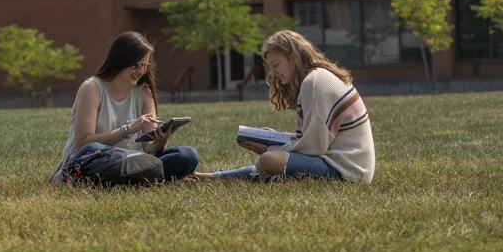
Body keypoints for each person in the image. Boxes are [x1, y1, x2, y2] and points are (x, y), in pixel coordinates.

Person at [202, 29, 375, 183]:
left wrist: (269, 147)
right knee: (271, 159)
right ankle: (212, 177)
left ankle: (220, 177)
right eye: (271, 67)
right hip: (341, 163)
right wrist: (277, 137)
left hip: (347, 171)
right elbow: (313, 138)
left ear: (293, 58)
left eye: (276, 65)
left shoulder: (314, 83)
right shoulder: (316, 78)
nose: (274, 73)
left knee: (269, 160)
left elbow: (312, 147)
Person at [51, 31, 199, 184]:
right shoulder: (92, 88)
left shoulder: (144, 92)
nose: (140, 71)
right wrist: (127, 130)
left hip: (136, 163)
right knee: (97, 149)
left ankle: (148, 179)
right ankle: (164, 180)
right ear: (121, 60)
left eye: (145, 66)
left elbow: (148, 147)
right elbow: (83, 143)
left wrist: (160, 141)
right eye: (137, 65)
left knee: (187, 155)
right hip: (93, 162)